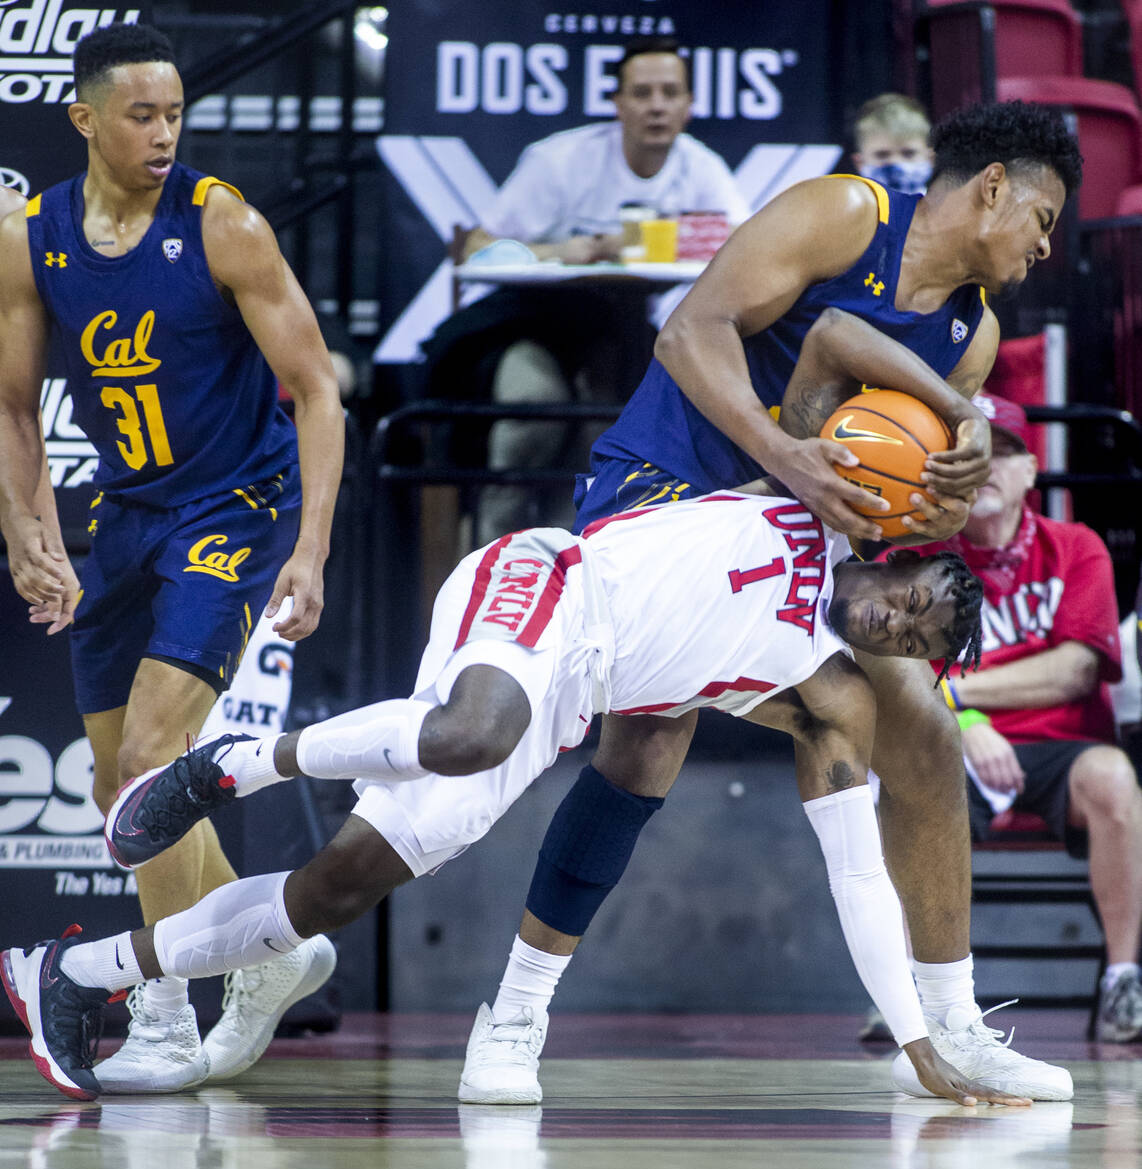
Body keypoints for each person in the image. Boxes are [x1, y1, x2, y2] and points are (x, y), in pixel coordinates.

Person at [3, 485, 1060, 1108]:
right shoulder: (814, 501)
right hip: (547, 581)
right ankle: (233, 762)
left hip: (561, 696)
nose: (897, 626)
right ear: (893, 560)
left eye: (917, 640)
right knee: (471, 733)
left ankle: (74, 970)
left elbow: (854, 867)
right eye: (910, 601)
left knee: (332, 892)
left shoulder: (824, 701)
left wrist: (915, 1034)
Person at [455, 100, 1084, 1105]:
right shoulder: (841, 213)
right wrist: (783, 452)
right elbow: (687, 334)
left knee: (918, 716)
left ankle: (952, 1020)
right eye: (1041, 219)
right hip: (668, 480)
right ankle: (516, 1013)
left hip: (799, 525)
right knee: (647, 743)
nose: (1045, 247)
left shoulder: (970, 338)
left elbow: (883, 514)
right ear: (991, 188)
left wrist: (936, 507)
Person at [0, 24, 344, 1092]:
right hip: (127, 512)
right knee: (121, 786)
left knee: (150, 754)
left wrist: (311, 548)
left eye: (175, 115)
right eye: (140, 116)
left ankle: (160, 1009)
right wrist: (27, 530)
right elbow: (13, 404)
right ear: (85, 120)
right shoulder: (30, 236)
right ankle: (268, 953)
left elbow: (320, 390)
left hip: (231, 508)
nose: (162, 134)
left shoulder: (222, 225)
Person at [423, 36, 748, 541]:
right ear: (617, 104)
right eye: (642, 93)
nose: (657, 106)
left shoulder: (701, 167)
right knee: (534, 414)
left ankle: (570, 564)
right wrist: (565, 250)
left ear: (689, 105)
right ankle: (489, 552)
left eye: (669, 92)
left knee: (613, 439)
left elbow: (741, 244)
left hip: (624, 330)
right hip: (532, 324)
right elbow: (474, 246)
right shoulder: (560, 160)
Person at [913, 392, 1142, 1043]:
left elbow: (1073, 671)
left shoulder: (1075, 547)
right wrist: (965, 722)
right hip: (954, 747)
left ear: (1030, 470)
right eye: (969, 450)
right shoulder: (923, 558)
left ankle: (1122, 981)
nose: (984, 464)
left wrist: (955, 694)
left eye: (1002, 450)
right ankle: (914, 996)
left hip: (1063, 750)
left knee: (1114, 779)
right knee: (904, 790)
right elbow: (898, 673)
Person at [851, 93, 934, 195]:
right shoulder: (844, 210)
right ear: (860, 163)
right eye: (882, 155)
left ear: (931, 159)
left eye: (908, 153)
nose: (896, 162)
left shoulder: (948, 209)